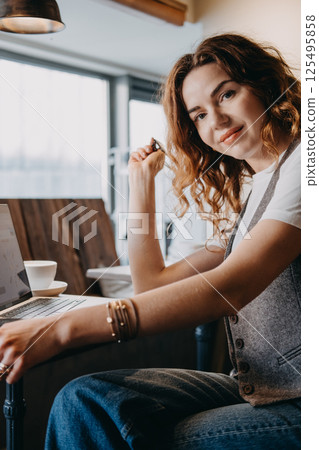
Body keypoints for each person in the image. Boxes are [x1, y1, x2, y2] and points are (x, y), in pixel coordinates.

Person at [0, 34, 300, 449]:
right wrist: (140, 185)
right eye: (198, 115)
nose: (216, 120)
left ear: (265, 86)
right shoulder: (254, 194)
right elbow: (152, 285)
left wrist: (62, 329)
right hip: (260, 389)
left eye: (226, 94)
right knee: (85, 399)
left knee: (144, 432)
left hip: (301, 404)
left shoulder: (305, 168)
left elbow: (230, 286)